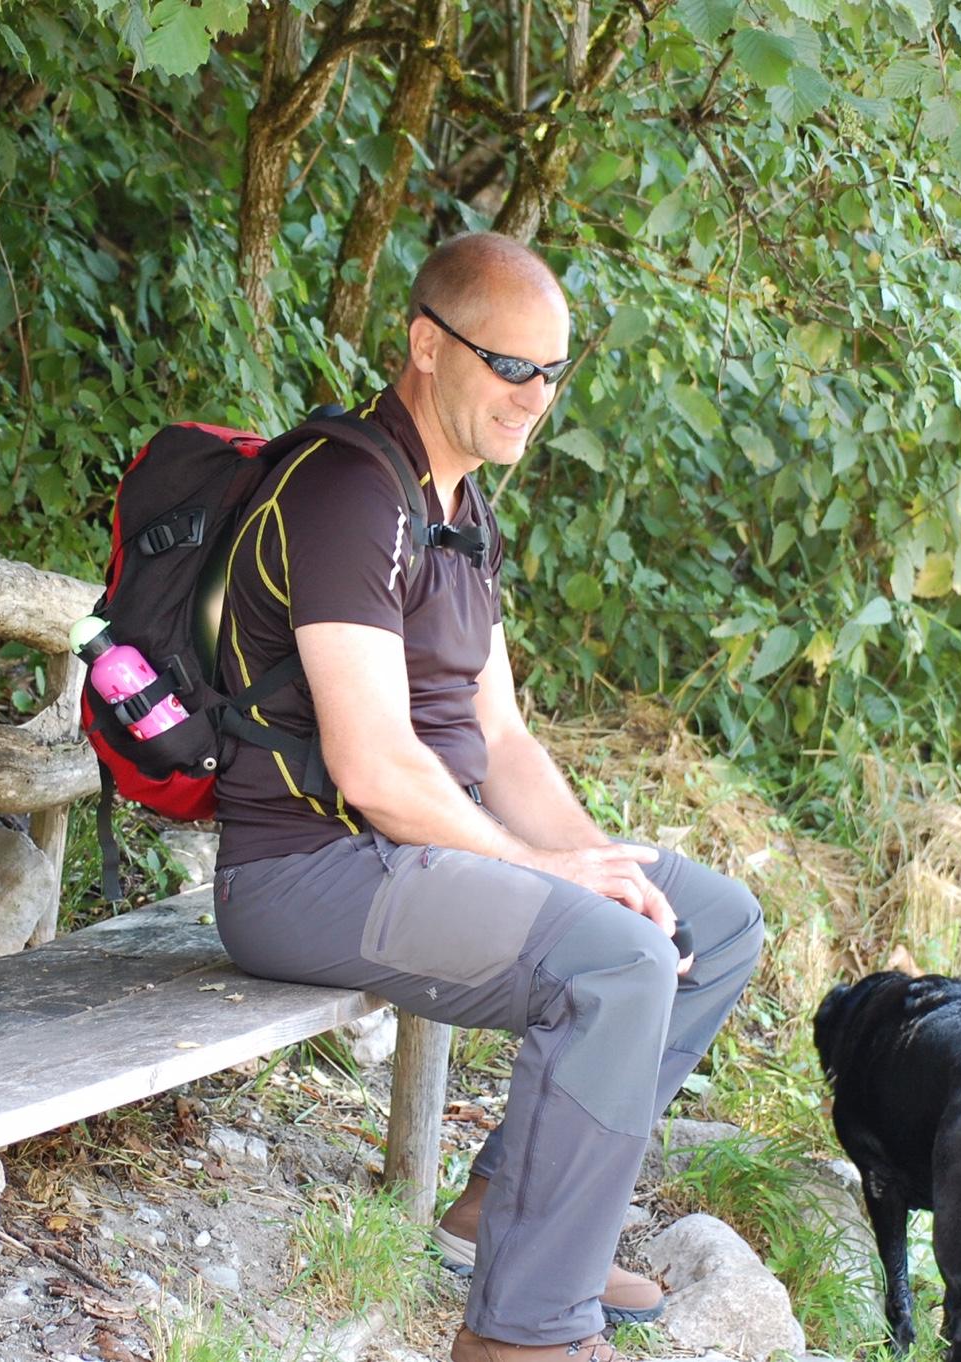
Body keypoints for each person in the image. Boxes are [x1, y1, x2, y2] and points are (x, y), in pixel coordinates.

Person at [209, 231, 765, 1362]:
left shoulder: (459, 510)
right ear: (427, 344)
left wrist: (600, 864)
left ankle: (508, 1214)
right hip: (310, 870)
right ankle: (524, 1338)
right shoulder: (346, 495)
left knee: (707, 924)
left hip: (416, 856)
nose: (535, 397)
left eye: (551, 372)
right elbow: (373, 768)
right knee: (618, 965)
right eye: (511, 366)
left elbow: (500, 739)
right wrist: (547, 873)